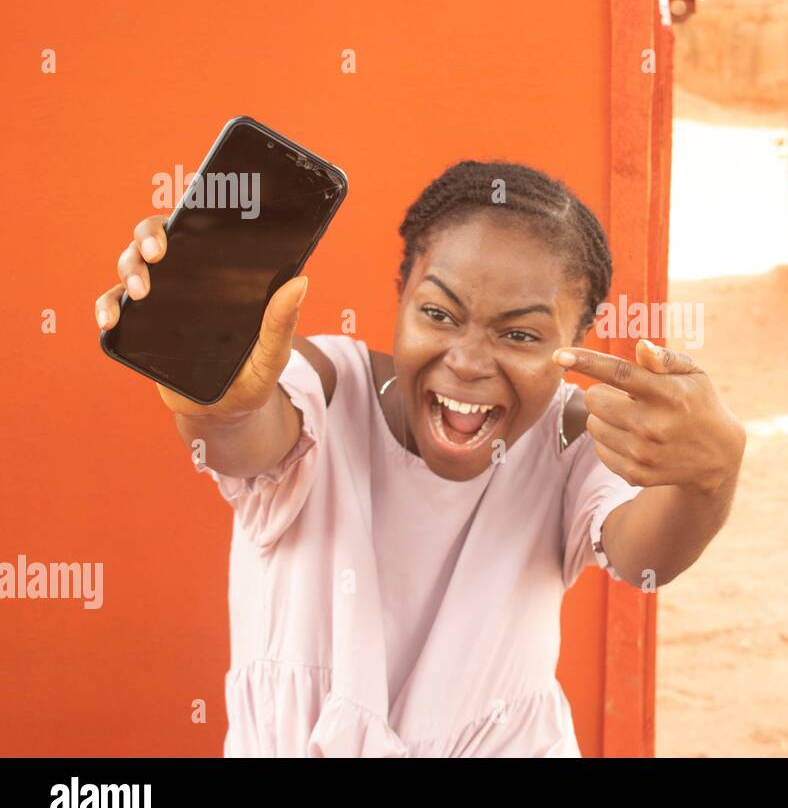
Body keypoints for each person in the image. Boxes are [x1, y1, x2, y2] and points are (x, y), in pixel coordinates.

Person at [93, 160, 746, 756]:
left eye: (519, 334)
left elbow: (643, 558)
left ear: (576, 341)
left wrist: (706, 481)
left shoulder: (572, 433)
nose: (466, 360)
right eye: (438, 313)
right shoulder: (326, 383)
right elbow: (245, 440)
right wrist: (218, 401)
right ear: (400, 296)